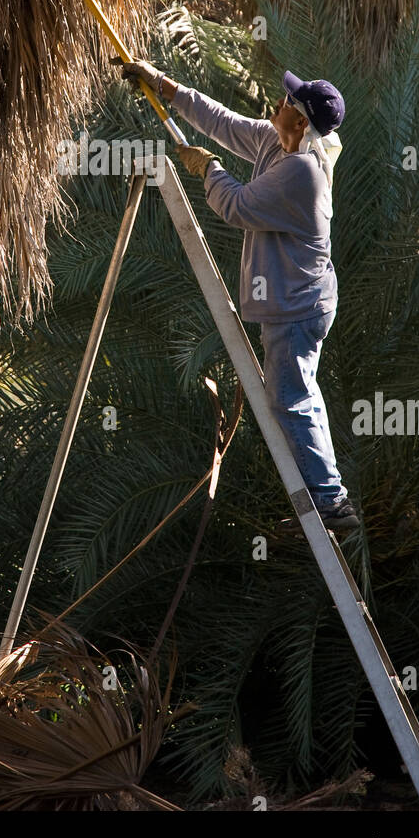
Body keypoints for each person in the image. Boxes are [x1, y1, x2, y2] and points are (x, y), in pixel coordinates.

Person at [121, 59, 359, 535]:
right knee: (293, 396)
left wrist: (209, 169)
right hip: (295, 300)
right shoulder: (278, 141)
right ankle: (327, 498)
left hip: (298, 308)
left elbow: (236, 206)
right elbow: (223, 123)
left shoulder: (302, 173)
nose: (279, 100)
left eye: (289, 100)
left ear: (300, 120)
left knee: (291, 400)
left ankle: (331, 503)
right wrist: (164, 86)